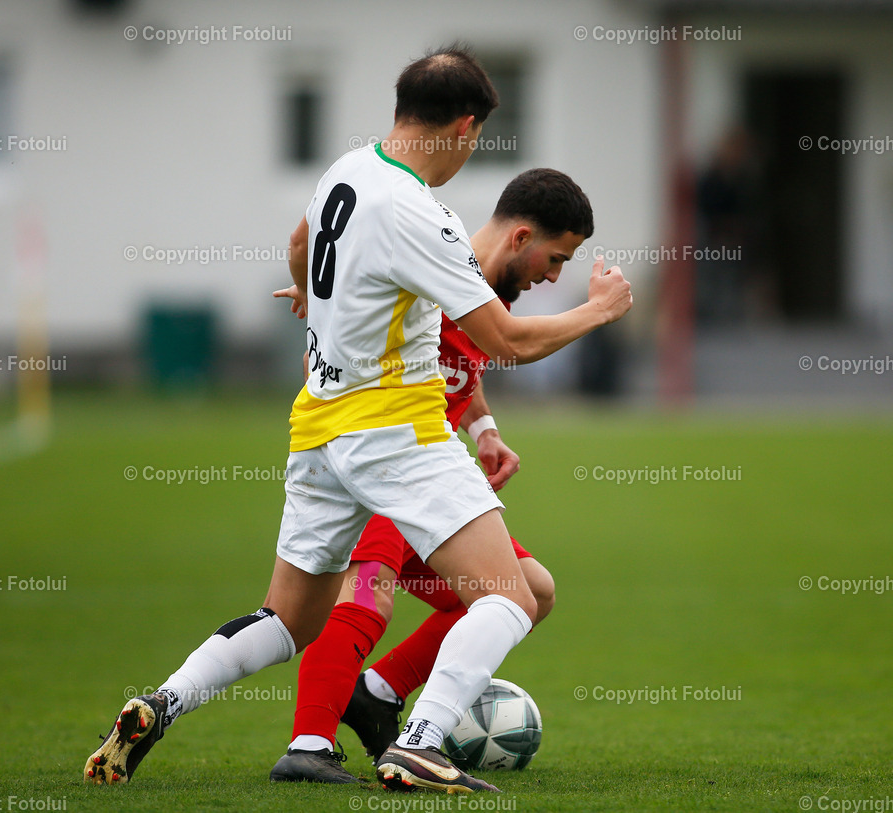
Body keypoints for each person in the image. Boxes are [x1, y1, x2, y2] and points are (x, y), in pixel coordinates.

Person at [85, 44, 631, 794]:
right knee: (511, 595)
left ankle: (161, 702)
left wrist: (311, 296)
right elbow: (506, 340)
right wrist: (598, 311)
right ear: (464, 127)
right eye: (476, 139)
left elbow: (300, 243)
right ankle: (419, 742)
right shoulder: (421, 213)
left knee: (287, 619)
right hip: (396, 430)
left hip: (318, 426)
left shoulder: (343, 172)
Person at [268, 168, 592, 784]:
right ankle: (309, 743)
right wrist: (598, 310)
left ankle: (378, 692)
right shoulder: (436, 268)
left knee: (531, 590)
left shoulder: (478, 289)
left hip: (432, 469)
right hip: (388, 456)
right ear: (522, 237)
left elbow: (453, 370)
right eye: (556, 259)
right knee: (369, 590)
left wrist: (484, 428)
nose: (553, 276)